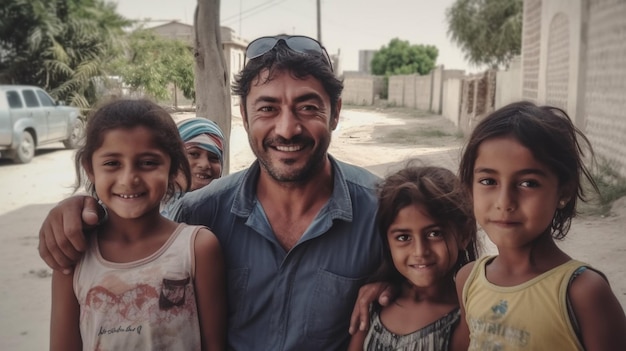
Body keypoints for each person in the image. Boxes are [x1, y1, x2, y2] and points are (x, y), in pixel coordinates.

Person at [39, 35, 383, 350]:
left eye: (308, 107)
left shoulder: (379, 211)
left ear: (335, 113)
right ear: (246, 118)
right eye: (267, 108)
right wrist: (81, 210)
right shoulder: (201, 212)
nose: (287, 128)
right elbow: (137, 233)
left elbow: (425, 271)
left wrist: (396, 285)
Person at [49, 99, 226, 350]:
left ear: (173, 168)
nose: (129, 179)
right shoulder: (74, 254)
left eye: (148, 163)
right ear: (90, 169)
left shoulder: (198, 248)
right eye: (112, 163)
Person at [454, 101, 626, 350]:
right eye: (489, 181)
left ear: (563, 192)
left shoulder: (582, 293)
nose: (504, 202)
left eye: (528, 183)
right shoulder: (469, 280)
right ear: (470, 188)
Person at [348, 166, 478, 351]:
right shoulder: (374, 304)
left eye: (434, 234)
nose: (420, 251)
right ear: (387, 242)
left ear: (463, 235)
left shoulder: (469, 317)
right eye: (403, 237)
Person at [161, 117, 225, 218]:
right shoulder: (146, 208)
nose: (204, 164)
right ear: (173, 158)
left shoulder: (226, 214)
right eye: (194, 154)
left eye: (213, 158)